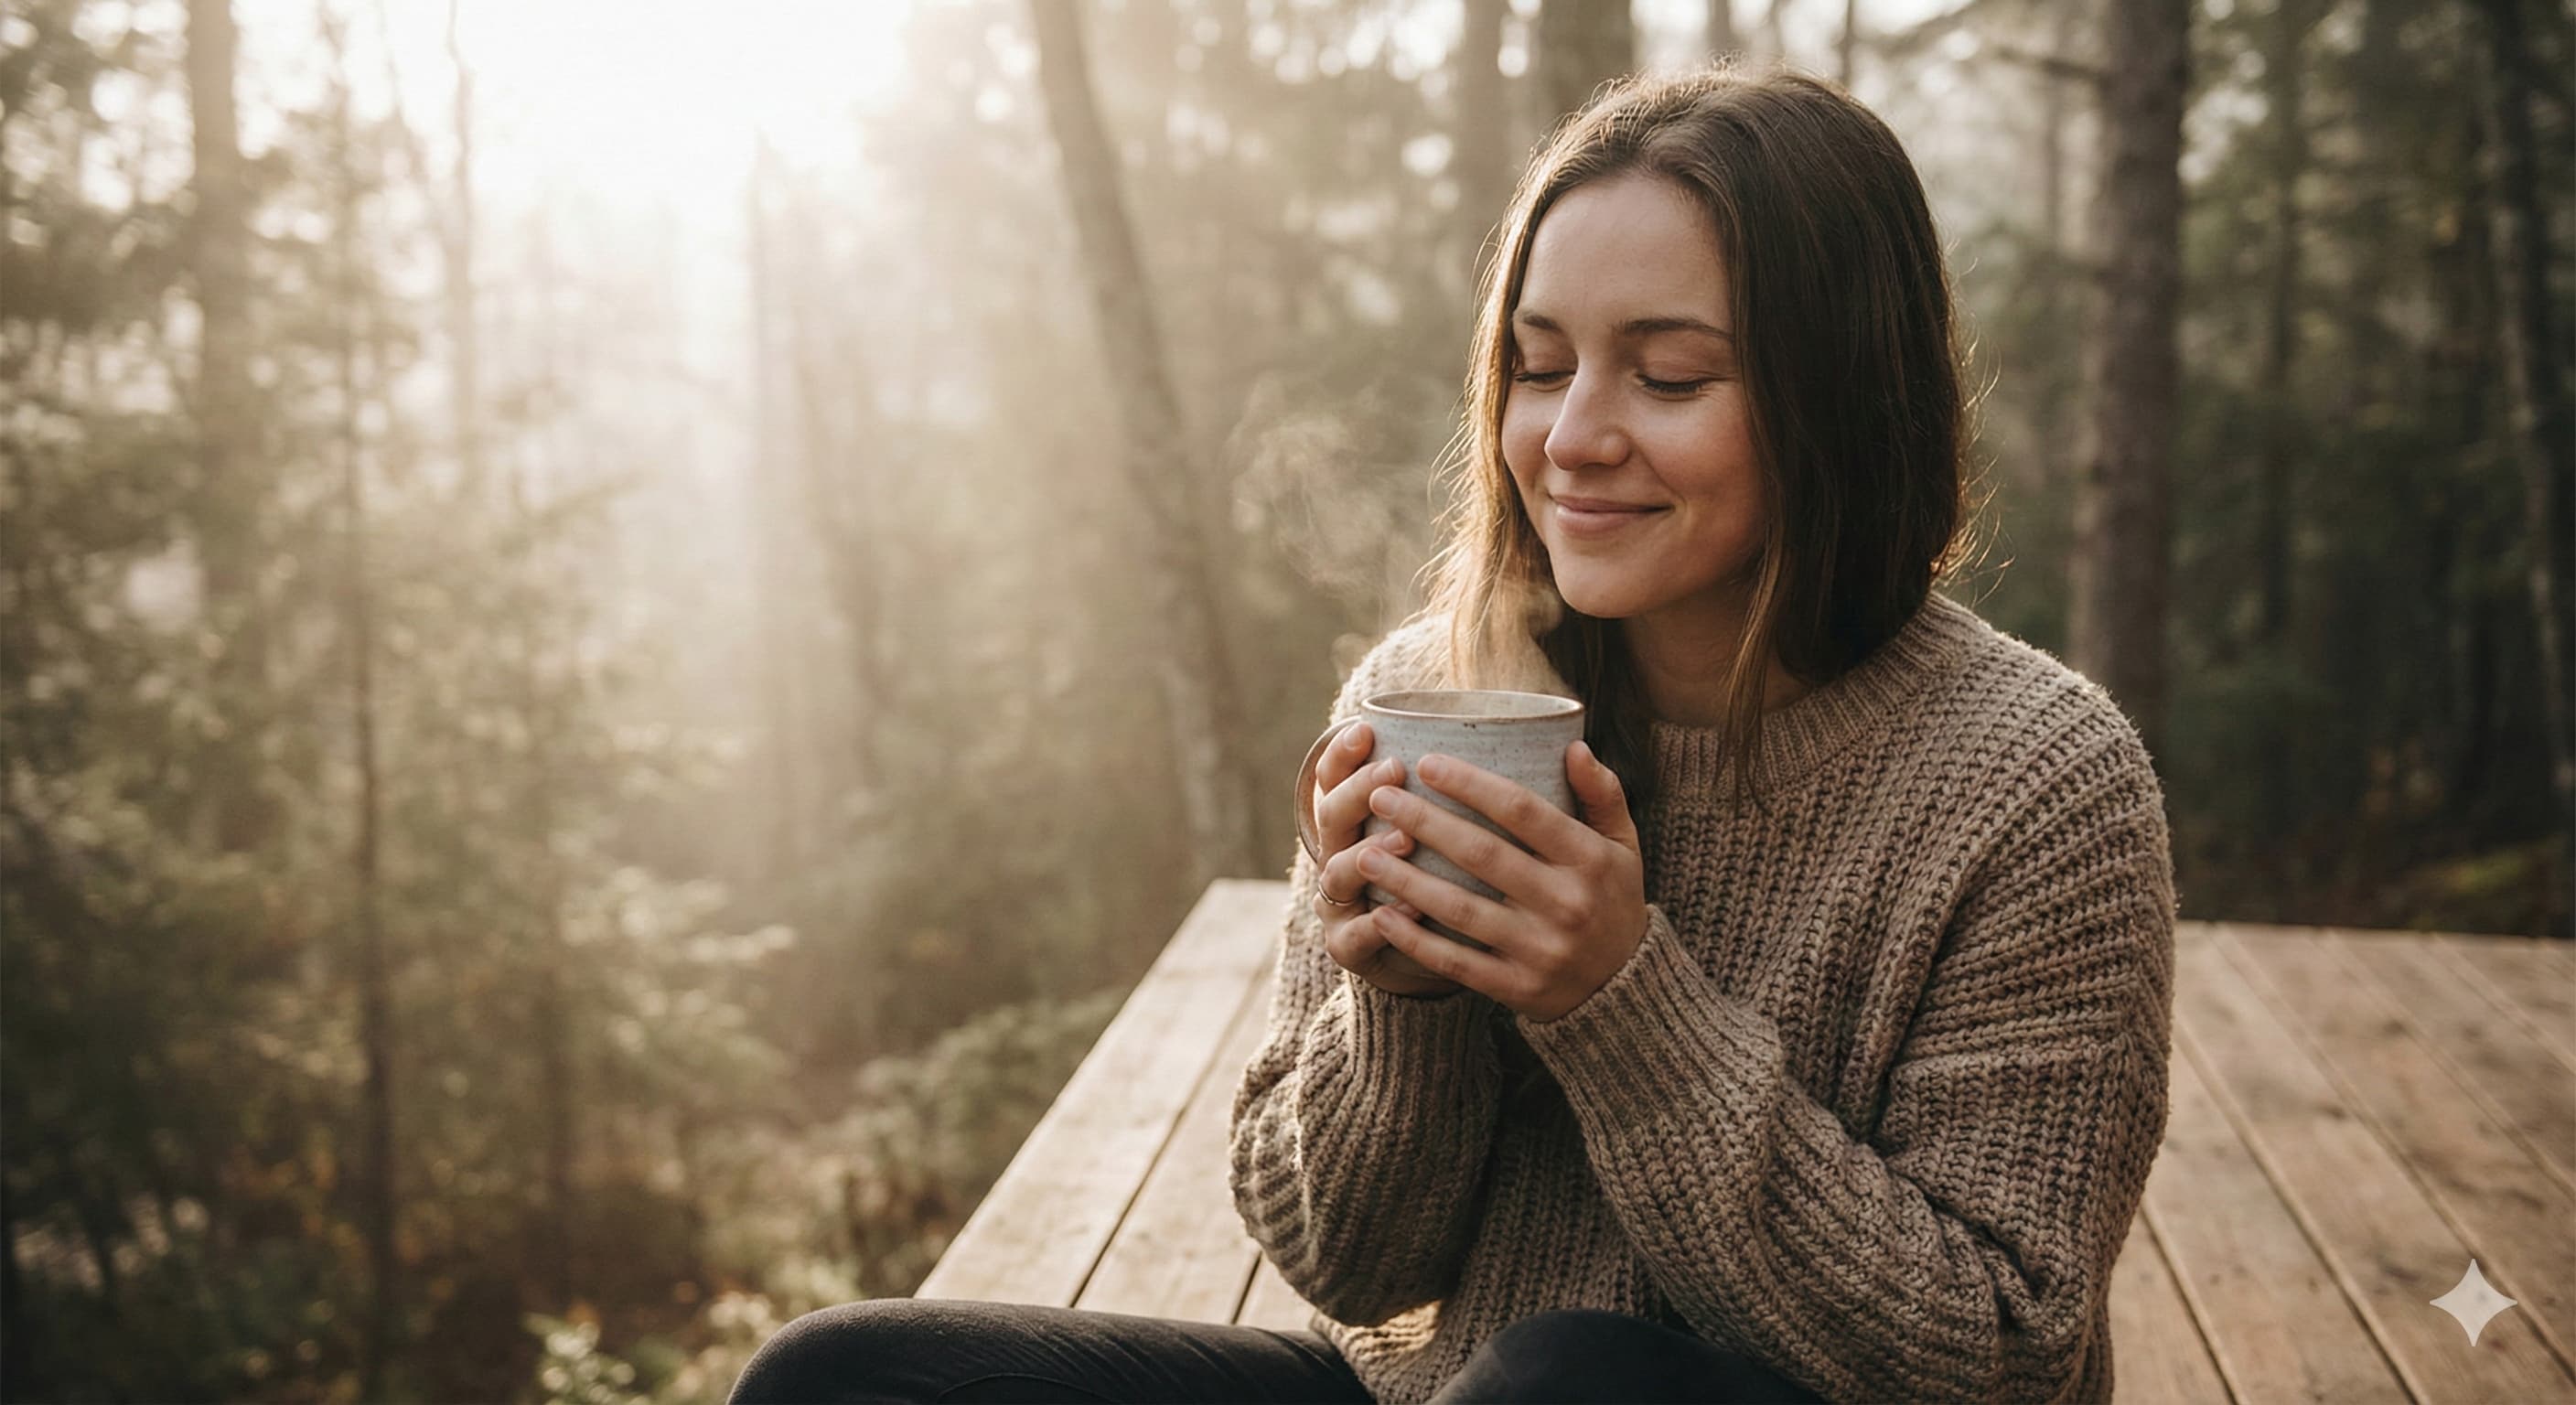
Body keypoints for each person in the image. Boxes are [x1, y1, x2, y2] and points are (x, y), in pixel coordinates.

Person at [731, 62, 2174, 1405]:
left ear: (1846, 399)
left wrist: (1624, 1005)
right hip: (1449, 1389)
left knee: (1566, 1384)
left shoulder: (2039, 780)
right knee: (840, 1380)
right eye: (1541, 368)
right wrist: (1401, 1009)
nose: (1571, 438)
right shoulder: (1434, 695)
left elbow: (2002, 1352)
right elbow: (1351, 1266)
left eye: (1667, 377)